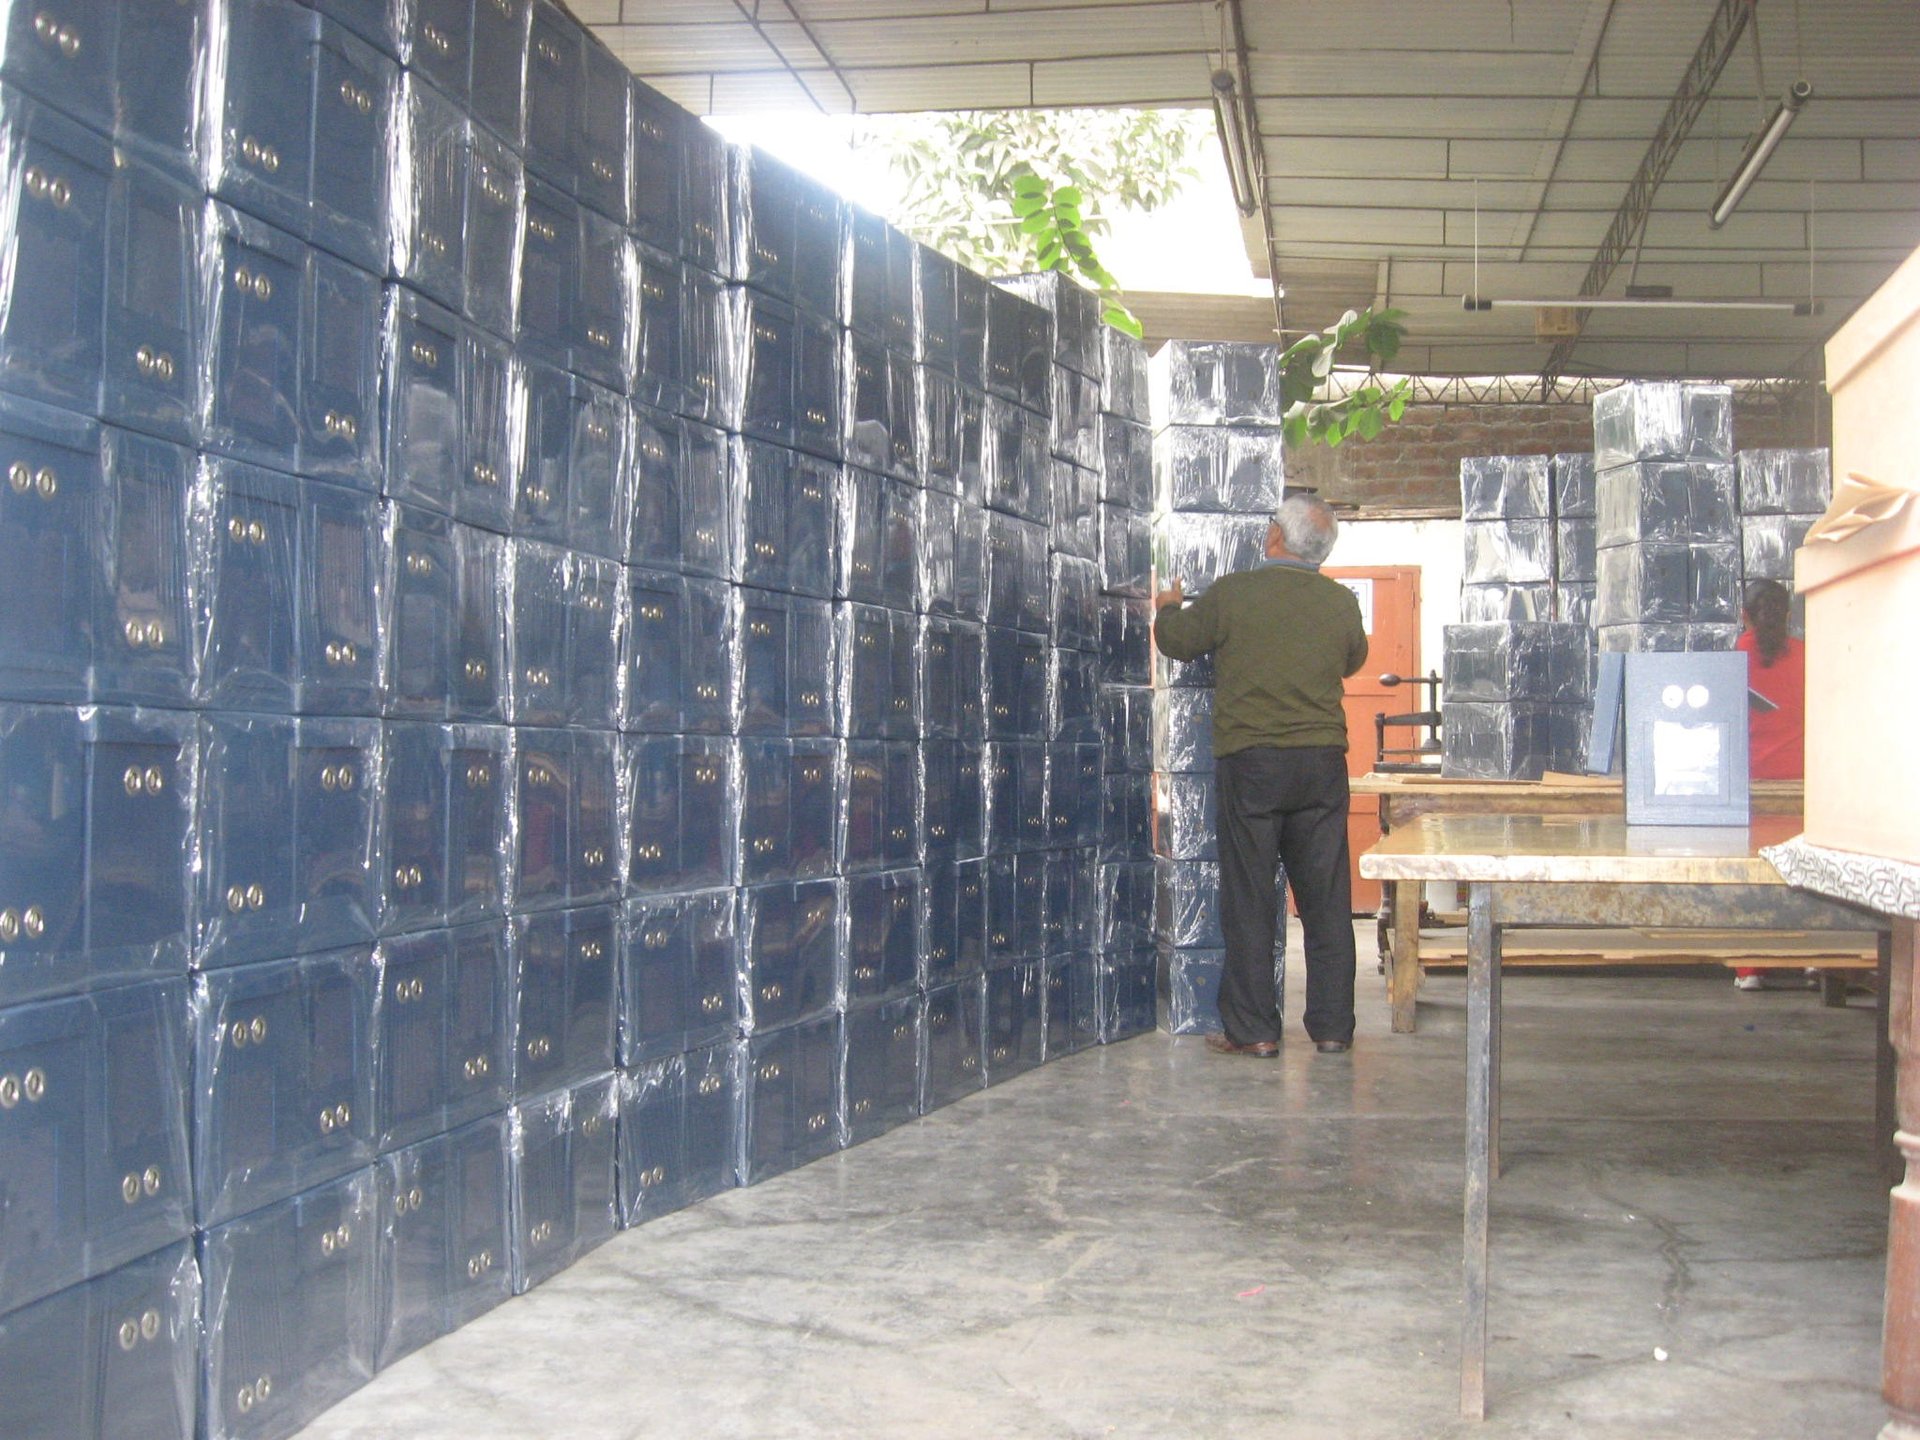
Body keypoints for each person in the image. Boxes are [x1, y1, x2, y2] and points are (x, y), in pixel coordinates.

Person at [1152, 494, 1368, 1055]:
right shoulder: (1340, 602)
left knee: (1249, 898)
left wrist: (1168, 605)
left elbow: (1176, 642)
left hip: (1252, 763)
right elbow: (1353, 659)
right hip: (1321, 763)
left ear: (1276, 537)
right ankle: (1332, 1029)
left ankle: (1255, 1033)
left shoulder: (1235, 593)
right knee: (1325, 900)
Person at [1733, 579, 1809, 991]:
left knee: (1753, 875)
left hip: (1752, 784)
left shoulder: (1735, 659)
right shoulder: (1807, 657)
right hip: (1804, 784)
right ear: (1789, 616)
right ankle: (1817, 963)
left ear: (1744, 615)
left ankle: (1751, 969)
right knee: (1810, 876)